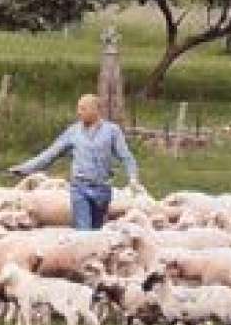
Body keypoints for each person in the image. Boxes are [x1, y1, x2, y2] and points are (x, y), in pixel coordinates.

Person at [8, 93, 140, 230]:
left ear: (95, 110)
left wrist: (133, 177)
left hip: (102, 188)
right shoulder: (73, 132)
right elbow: (50, 154)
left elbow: (126, 156)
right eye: (78, 108)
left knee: (97, 230)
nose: (79, 112)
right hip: (80, 187)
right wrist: (24, 169)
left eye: (83, 109)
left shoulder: (112, 131)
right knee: (83, 229)